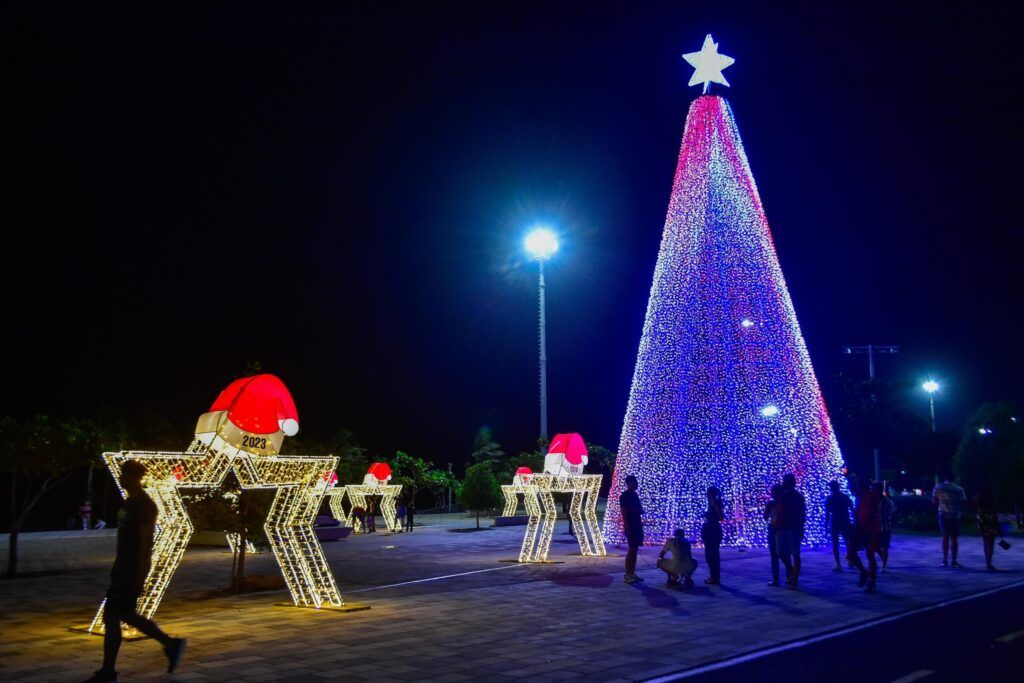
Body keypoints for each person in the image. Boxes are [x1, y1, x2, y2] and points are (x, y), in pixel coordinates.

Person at [84, 460, 185, 683]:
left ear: (134, 477)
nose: (120, 478)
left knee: (112, 616)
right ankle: (170, 643)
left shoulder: (145, 505)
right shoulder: (129, 502)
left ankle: (109, 672)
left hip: (130, 571)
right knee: (124, 615)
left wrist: (141, 575)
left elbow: (146, 543)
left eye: (124, 474)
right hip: (121, 569)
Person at [932, 471, 966, 567]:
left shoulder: (938, 487)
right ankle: (954, 561)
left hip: (943, 514)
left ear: (945, 478)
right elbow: (963, 502)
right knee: (954, 539)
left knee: (945, 537)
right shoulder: (959, 489)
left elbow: (934, 501)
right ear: (954, 478)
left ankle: (944, 560)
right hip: (955, 515)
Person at [777, 473, 805, 588]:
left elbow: (802, 513)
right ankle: (792, 571)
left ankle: (794, 579)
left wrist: (801, 527)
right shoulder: (781, 495)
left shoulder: (798, 496)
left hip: (793, 528)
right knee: (781, 553)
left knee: (795, 554)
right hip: (782, 527)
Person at [619, 475, 644, 584]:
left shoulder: (635, 495)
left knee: (635, 549)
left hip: (637, 524)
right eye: (634, 482)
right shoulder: (624, 496)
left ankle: (632, 573)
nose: (636, 484)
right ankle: (627, 574)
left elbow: (639, 510)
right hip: (631, 525)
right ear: (629, 483)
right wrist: (626, 526)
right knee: (631, 549)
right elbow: (623, 512)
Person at [825, 480, 854, 572]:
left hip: (837, 521)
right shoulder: (844, 497)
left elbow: (828, 513)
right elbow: (852, 508)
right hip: (844, 520)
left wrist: (826, 523)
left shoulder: (831, 498)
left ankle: (839, 563)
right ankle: (848, 559)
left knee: (838, 542)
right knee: (847, 541)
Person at [701, 486, 724, 585]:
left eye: (708, 493)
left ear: (711, 494)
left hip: (713, 530)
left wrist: (713, 507)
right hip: (708, 530)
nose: (706, 495)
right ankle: (713, 576)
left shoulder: (716, 504)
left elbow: (720, 517)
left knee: (713, 555)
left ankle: (715, 577)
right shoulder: (711, 504)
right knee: (710, 555)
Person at [764, 484, 785, 586]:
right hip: (779, 529)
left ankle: (777, 578)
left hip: (776, 528)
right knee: (780, 553)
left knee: (776, 554)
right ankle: (788, 574)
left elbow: (765, 517)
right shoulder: (782, 503)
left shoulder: (774, 503)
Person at [975, 484, 1000, 571]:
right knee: (991, 542)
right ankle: (989, 562)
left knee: (986, 542)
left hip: (983, 522)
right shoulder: (992, 499)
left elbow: (977, 510)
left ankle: (988, 561)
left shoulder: (978, 498)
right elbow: (994, 511)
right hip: (991, 521)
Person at [877, 487, 897, 571]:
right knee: (879, 546)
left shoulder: (887, 501)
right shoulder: (883, 501)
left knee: (884, 546)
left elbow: (893, 511)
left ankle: (884, 564)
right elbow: (893, 511)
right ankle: (883, 563)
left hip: (883, 526)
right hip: (880, 526)